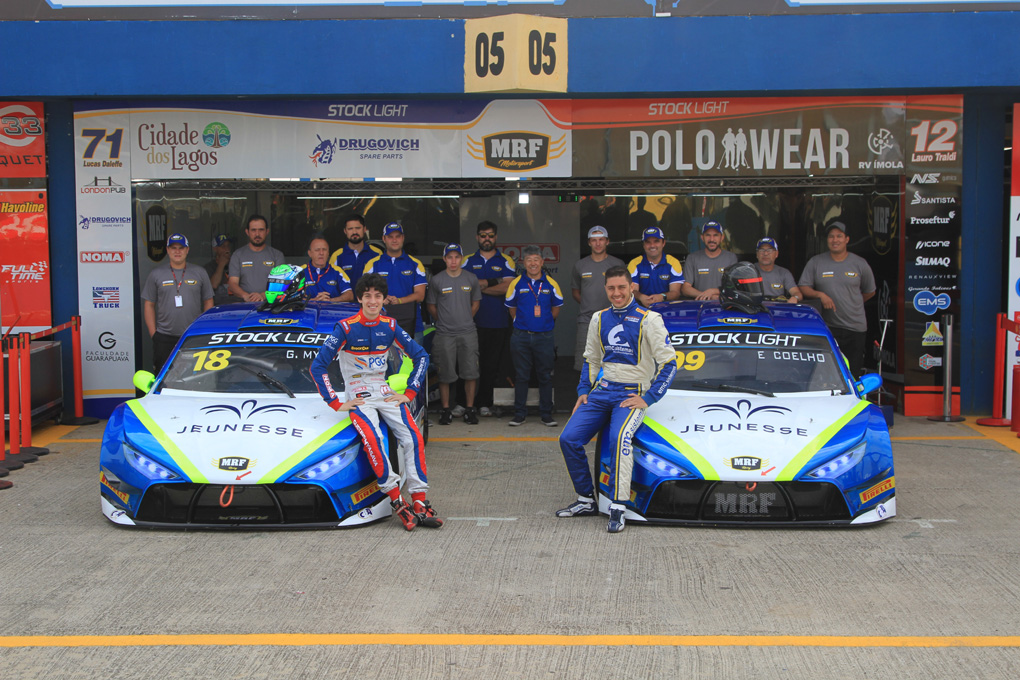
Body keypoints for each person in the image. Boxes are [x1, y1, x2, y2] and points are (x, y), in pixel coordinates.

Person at [309, 273, 441, 531]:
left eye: (377, 296)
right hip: (358, 394)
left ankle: (419, 500)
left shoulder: (390, 326)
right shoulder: (345, 328)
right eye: (367, 296)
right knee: (374, 439)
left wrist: (410, 392)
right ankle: (396, 501)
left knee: (412, 436)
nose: (372, 301)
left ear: (383, 299)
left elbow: (421, 356)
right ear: (359, 298)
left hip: (383, 390)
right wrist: (335, 402)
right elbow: (318, 366)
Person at [557, 266, 677, 533]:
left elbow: (669, 362)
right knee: (568, 438)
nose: (616, 293)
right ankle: (586, 499)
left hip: (630, 393)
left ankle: (618, 505)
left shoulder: (650, 319)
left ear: (631, 286)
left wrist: (649, 397)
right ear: (605, 289)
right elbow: (591, 359)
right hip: (601, 392)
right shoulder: (599, 318)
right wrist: (583, 391)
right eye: (611, 288)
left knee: (618, 439)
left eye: (621, 287)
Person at [798, 219, 876, 378]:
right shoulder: (816, 262)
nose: (835, 240)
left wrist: (852, 303)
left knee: (853, 373)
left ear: (847, 239)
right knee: (826, 372)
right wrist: (820, 295)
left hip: (855, 326)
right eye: (831, 236)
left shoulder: (859, 263)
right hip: (827, 326)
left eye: (839, 236)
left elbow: (870, 291)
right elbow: (803, 287)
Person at [505, 244, 563, 427]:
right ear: (524, 262)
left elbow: (556, 308)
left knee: (544, 375)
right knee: (521, 376)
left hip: (544, 337)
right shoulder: (516, 283)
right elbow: (511, 307)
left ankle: (546, 414)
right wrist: (520, 322)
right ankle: (519, 414)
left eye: (536, 260)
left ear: (542, 262)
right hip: (521, 336)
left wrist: (544, 323)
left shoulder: (551, 283)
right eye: (529, 260)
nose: (532, 263)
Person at [464, 220, 517, 417]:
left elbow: (508, 287)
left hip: (498, 322)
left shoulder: (506, 261)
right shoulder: (466, 260)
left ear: (496, 237)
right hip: (470, 321)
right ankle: (463, 403)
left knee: (490, 365)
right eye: (483, 235)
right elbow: (463, 286)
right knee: (467, 364)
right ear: (477, 237)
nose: (487, 239)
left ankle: (484, 403)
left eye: (491, 235)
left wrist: (480, 285)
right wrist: (492, 284)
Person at [426, 243, 482, 425]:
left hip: (468, 332)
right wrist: (444, 320)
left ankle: (470, 409)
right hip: (444, 333)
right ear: (444, 259)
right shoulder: (437, 280)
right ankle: (445, 409)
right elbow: (432, 306)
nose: (453, 261)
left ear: (462, 258)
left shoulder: (471, 278)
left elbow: (475, 303)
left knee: (470, 372)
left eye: (457, 257)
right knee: (445, 374)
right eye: (449, 257)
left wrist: (465, 318)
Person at [142, 233, 213, 373]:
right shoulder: (156, 274)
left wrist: (202, 328)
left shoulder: (200, 272)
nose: (177, 251)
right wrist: (154, 334)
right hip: (164, 337)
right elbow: (149, 305)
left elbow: (208, 301)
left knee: (195, 375)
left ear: (187, 250)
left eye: (181, 247)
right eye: (173, 248)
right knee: (163, 378)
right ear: (167, 250)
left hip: (193, 336)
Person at [571, 225, 624, 371]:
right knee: (583, 364)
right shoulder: (580, 265)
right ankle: (585, 394)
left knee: (613, 363)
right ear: (589, 242)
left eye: (601, 240)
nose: (598, 243)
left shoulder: (617, 264)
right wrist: (589, 305)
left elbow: (625, 291)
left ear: (607, 241)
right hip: (586, 320)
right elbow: (575, 291)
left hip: (613, 319)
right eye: (594, 240)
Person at [362, 222, 428, 338]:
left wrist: (399, 301)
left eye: (398, 236)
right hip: (379, 324)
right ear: (384, 239)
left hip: (411, 325)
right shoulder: (372, 264)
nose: (394, 240)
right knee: (379, 357)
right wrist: (381, 299)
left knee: (412, 357)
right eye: (390, 237)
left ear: (403, 238)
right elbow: (364, 293)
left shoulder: (415, 264)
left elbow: (420, 295)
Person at [627, 226, 698, 307]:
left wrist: (662, 296)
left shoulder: (673, 262)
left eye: (656, 241)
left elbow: (676, 292)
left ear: (663, 243)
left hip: (667, 309)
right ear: (643, 245)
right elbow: (632, 290)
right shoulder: (634, 263)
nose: (652, 245)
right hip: (641, 309)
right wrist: (641, 297)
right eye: (648, 242)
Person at [227, 214, 285, 303]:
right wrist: (246, 296)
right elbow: (232, 283)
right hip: (244, 304)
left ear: (267, 231)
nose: (257, 234)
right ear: (247, 232)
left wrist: (262, 295)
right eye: (253, 230)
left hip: (270, 304)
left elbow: (280, 283)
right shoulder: (237, 255)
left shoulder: (277, 255)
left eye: (261, 230)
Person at [682, 220, 738, 299]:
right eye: (708, 235)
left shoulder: (731, 258)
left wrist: (712, 291)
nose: (712, 239)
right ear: (702, 237)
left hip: (724, 307)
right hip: (700, 306)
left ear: (722, 237)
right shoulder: (692, 258)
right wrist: (707, 296)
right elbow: (685, 289)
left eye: (715, 235)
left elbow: (733, 287)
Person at [329, 213, 382, 289]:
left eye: (358, 228)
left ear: (364, 229)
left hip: (369, 300)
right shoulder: (337, 256)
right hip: (344, 301)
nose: (354, 232)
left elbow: (382, 283)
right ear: (345, 231)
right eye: (350, 229)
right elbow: (332, 284)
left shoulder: (377, 253)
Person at [301, 234, 353, 302]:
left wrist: (330, 301)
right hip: (307, 311)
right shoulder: (300, 272)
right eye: (317, 250)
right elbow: (290, 299)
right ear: (310, 253)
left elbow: (350, 295)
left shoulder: (337, 271)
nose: (321, 253)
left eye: (324, 250)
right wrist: (314, 300)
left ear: (328, 253)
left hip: (332, 311)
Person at [754, 237, 803, 303]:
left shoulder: (784, 273)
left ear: (776, 254)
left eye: (769, 250)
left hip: (778, 310)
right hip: (754, 310)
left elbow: (797, 293)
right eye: (761, 250)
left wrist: (795, 298)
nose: (765, 253)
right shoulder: (748, 271)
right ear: (757, 254)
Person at [203, 234, 232, 306]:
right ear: (215, 248)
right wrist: (221, 265)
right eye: (223, 247)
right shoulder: (209, 267)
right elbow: (213, 285)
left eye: (228, 246)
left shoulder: (236, 263)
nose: (227, 249)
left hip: (237, 305)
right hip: (218, 307)